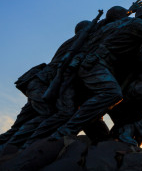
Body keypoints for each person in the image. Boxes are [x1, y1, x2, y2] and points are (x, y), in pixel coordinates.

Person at [46, 5, 142, 141]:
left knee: (104, 118)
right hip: (97, 64)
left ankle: (103, 141)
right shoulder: (139, 24)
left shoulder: (121, 25)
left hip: (94, 64)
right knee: (112, 94)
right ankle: (66, 130)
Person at [0, 20, 92, 148]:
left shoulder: (76, 41)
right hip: (41, 84)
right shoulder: (78, 42)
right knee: (48, 114)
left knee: (20, 124)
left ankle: (8, 146)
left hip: (40, 84)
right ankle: (17, 148)